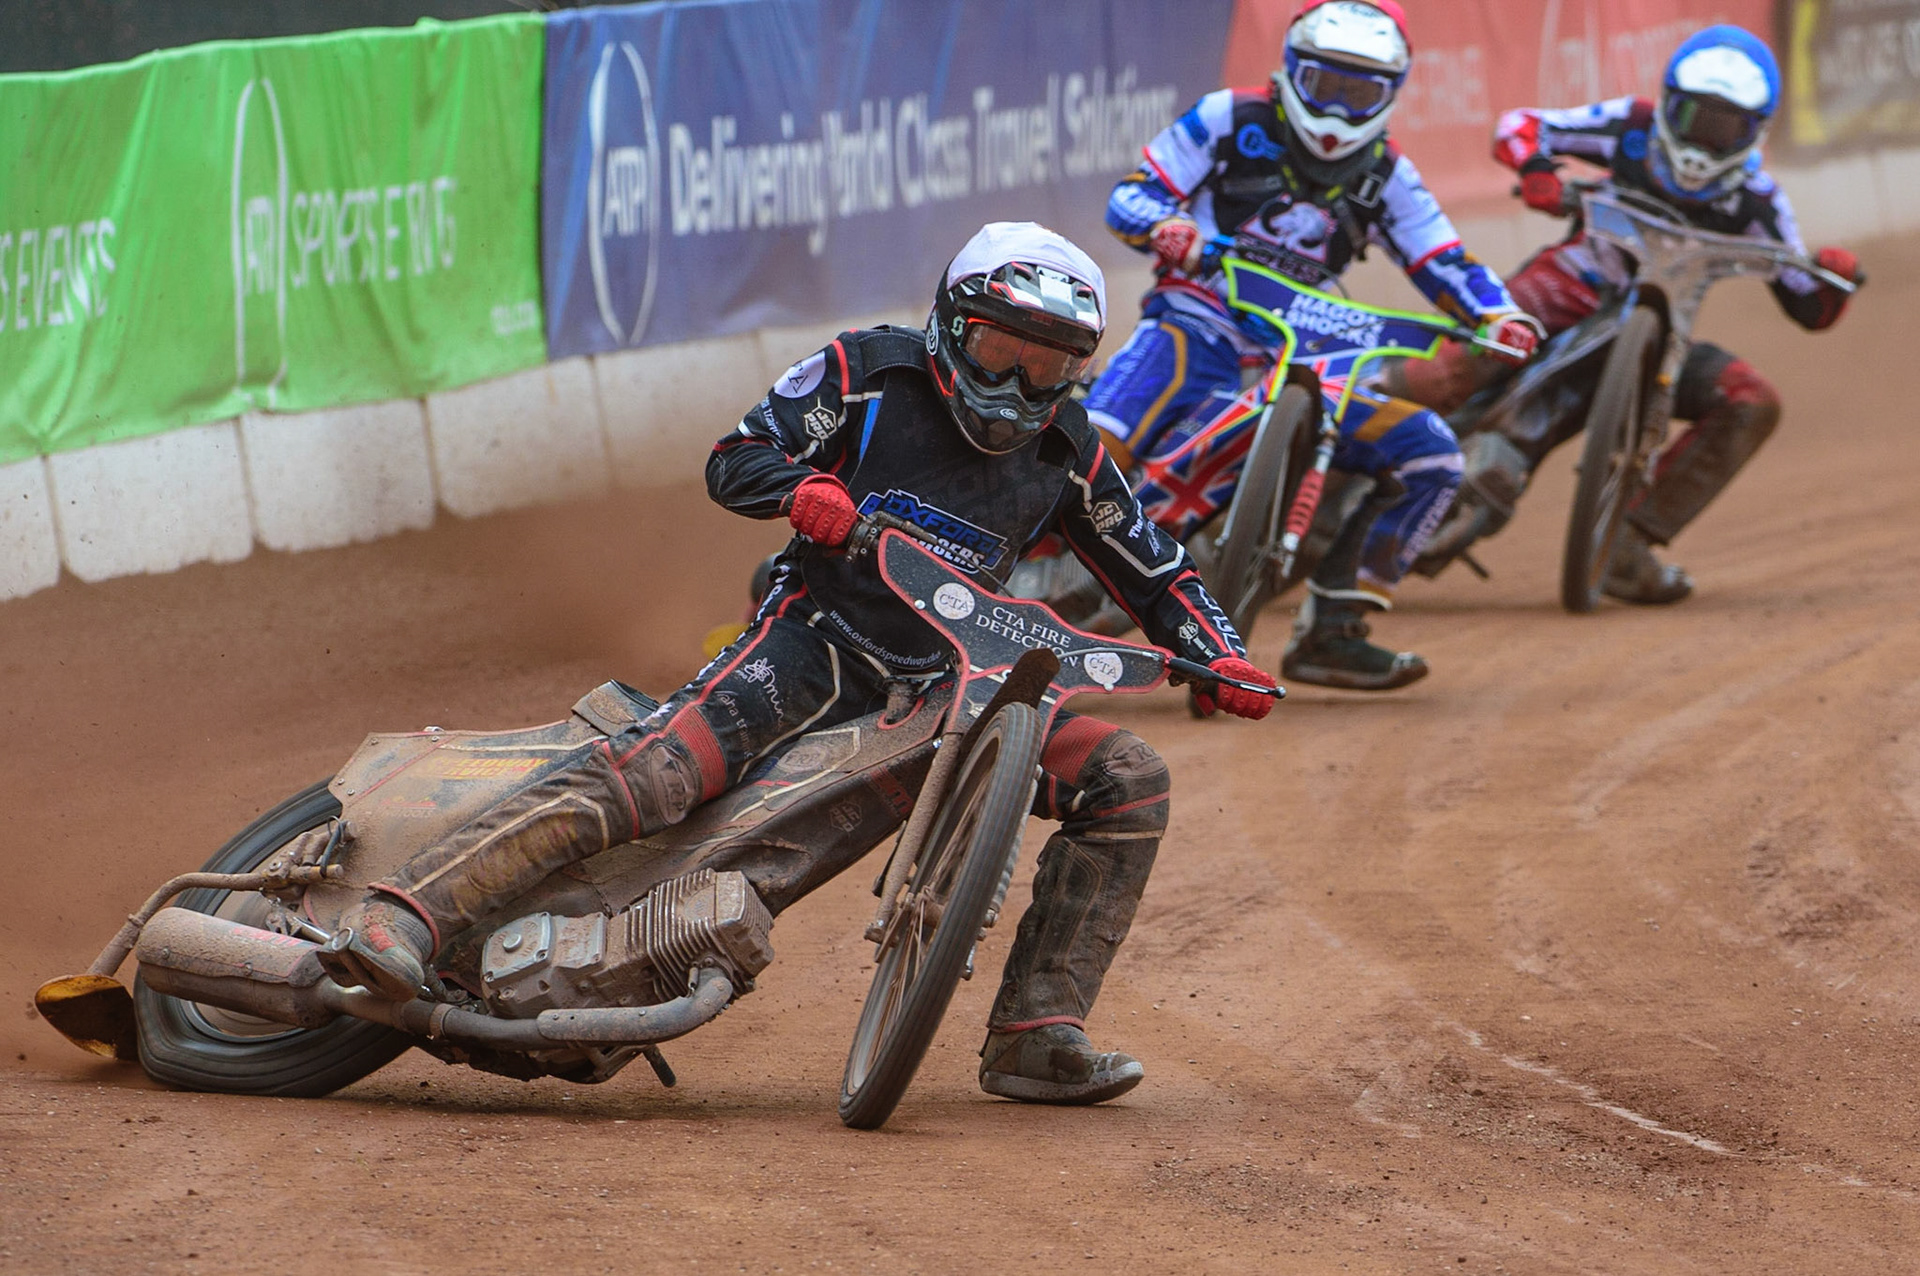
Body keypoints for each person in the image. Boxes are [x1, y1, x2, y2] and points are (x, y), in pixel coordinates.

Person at [315, 221, 1278, 1107]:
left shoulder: (1072, 453)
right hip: (814, 638)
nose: (1022, 386)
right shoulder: (866, 373)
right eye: (1002, 352)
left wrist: (1225, 657)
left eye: (1050, 366)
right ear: (951, 325)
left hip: (955, 679)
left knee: (1129, 777)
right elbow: (736, 456)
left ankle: (1036, 1031)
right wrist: (803, 491)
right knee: (659, 773)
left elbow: (1161, 573)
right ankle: (407, 915)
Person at [1085, 0, 1539, 690]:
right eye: (1325, 83)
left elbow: (1445, 260)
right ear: (1292, 71)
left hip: (1305, 355)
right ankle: (990, 567)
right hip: (1197, 319)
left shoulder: (1387, 175)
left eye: (1360, 90)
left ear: (1391, 93)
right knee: (1087, 445)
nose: (1338, 105)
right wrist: (1171, 231)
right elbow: (1134, 197)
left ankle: (1333, 629)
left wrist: (1499, 315)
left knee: (1434, 456)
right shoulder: (1227, 117)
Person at [1385, 25, 1862, 603]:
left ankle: (1626, 542)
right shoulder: (1630, 126)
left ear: (1754, 132)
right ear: (1667, 104)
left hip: (1663, 339)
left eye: (1726, 127)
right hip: (1568, 285)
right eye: (1695, 119)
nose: (1705, 144)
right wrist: (1536, 168)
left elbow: (1806, 303)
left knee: (1751, 400)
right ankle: (1329, 442)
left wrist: (1832, 277)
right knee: (1453, 371)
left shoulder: (1758, 200)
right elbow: (1520, 126)